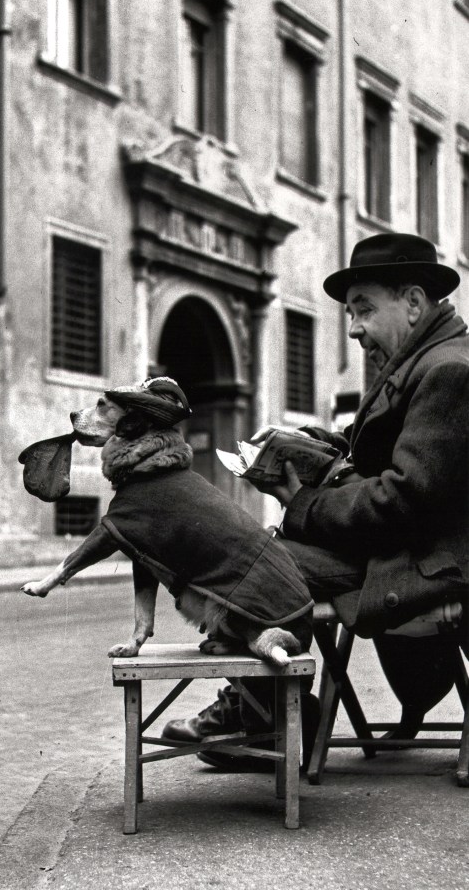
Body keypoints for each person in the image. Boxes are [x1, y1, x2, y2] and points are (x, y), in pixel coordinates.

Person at [163, 233, 469, 769]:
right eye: (351, 313)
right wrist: (308, 446)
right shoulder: (418, 361)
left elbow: (403, 500)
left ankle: (263, 719)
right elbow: (375, 461)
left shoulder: (448, 370)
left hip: (425, 563)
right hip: (400, 550)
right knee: (246, 557)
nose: (354, 329)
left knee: (250, 567)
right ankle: (265, 711)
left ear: (415, 302)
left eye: (364, 310)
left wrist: (302, 502)